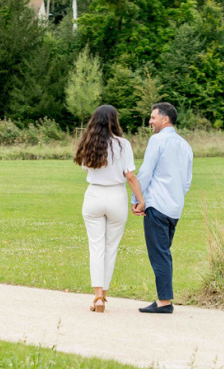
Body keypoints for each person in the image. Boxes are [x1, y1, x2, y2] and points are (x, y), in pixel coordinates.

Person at [74, 105, 145, 313]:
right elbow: (130, 176)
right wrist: (140, 200)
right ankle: (103, 295)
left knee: (96, 247)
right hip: (116, 196)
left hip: (94, 195)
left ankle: (97, 296)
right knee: (110, 248)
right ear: (115, 120)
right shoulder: (123, 145)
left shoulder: (88, 143)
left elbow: (87, 168)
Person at [131, 102, 193, 314]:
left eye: (153, 117)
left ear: (165, 119)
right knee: (163, 253)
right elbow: (187, 182)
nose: (150, 121)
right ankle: (163, 299)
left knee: (160, 255)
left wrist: (136, 198)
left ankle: (164, 302)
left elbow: (146, 172)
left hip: (157, 206)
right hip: (175, 208)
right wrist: (176, 198)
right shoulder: (185, 145)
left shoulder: (157, 140)